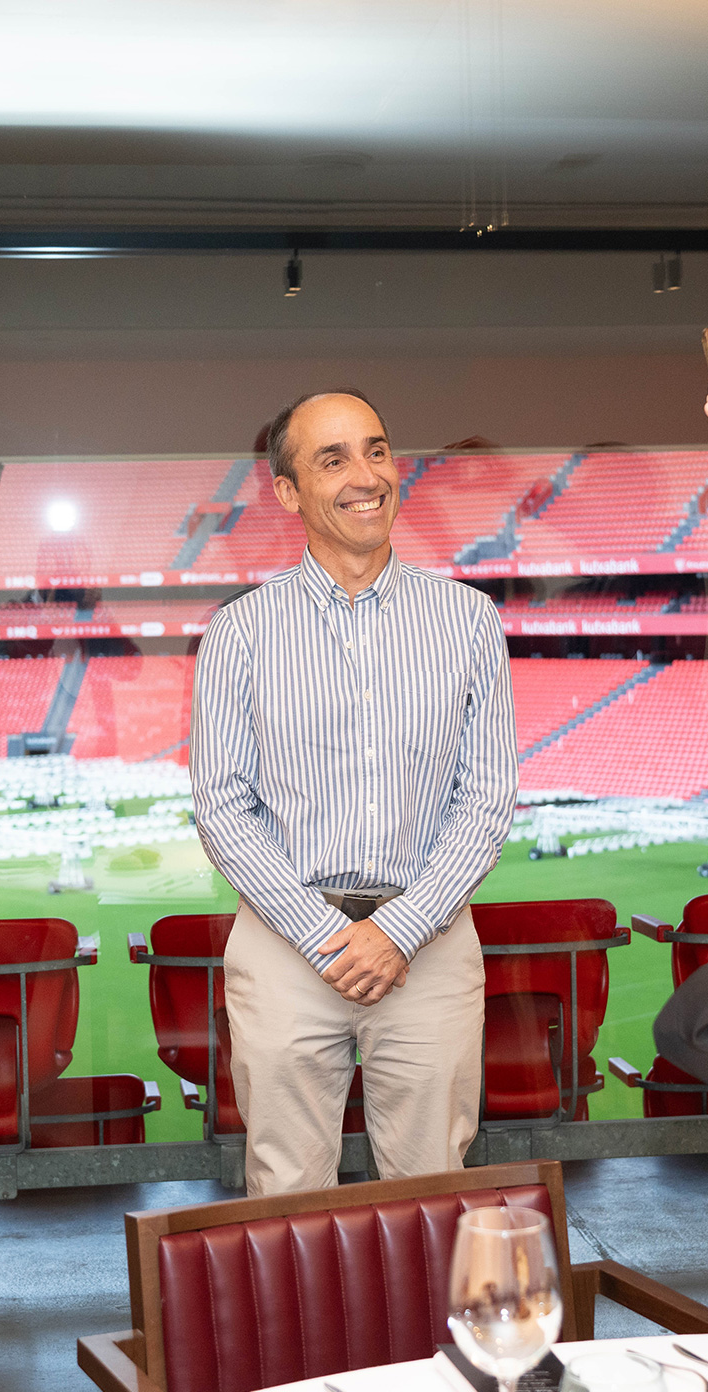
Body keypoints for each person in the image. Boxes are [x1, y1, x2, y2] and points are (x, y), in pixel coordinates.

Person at [191, 389, 516, 1194]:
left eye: (376, 451)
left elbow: (485, 802)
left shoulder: (470, 620)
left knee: (434, 1192)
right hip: (286, 947)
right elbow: (223, 810)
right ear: (288, 491)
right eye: (332, 460)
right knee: (288, 1197)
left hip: (429, 945)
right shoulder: (240, 632)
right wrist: (325, 937)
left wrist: (398, 931)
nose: (365, 476)